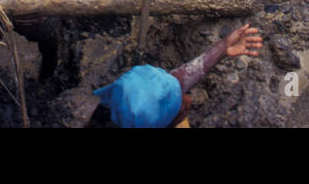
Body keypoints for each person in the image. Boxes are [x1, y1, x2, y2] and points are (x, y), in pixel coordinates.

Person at [89, 24, 262, 127]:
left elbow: (174, 82)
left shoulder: (120, 102)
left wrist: (223, 47)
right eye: (180, 108)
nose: (189, 101)